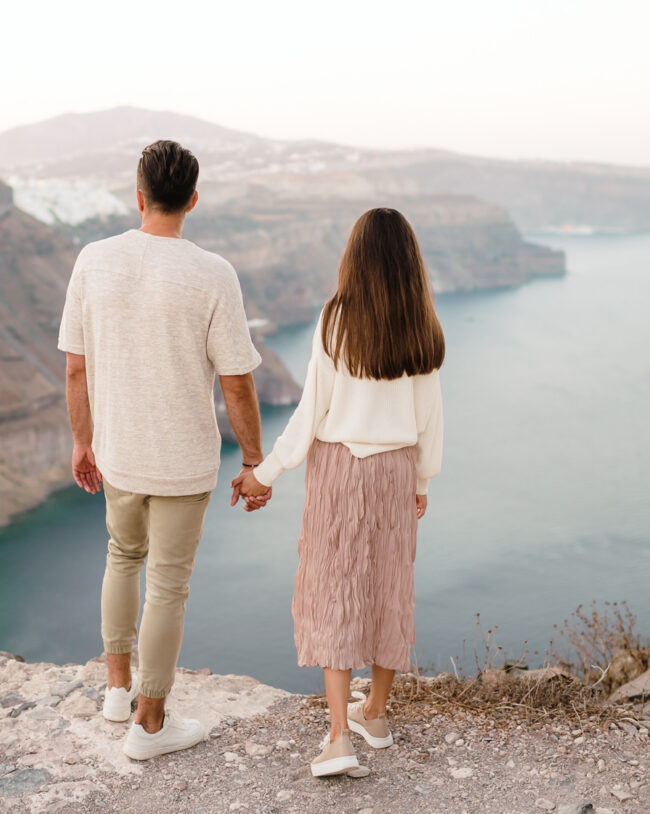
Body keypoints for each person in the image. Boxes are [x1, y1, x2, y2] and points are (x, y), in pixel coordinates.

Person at [60, 139, 269, 761]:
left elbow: (76, 368)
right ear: (193, 200)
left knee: (122, 557)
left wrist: (82, 440)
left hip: (119, 449)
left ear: (140, 194)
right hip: (182, 459)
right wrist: (253, 460)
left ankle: (117, 691)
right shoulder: (212, 273)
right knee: (168, 587)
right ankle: (149, 726)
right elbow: (236, 380)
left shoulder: (94, 260)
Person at [233, 207, 444, 777]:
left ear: (355, 256)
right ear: (409, 261)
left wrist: (264, 472)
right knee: (388, 586)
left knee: (334, 591)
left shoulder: (336, 319)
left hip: (340, 470)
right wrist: (421, 481)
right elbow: (430, 419)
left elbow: (310, 412)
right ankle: (374, 713)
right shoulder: (421, 323)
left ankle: (337, 738)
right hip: (397, 471)